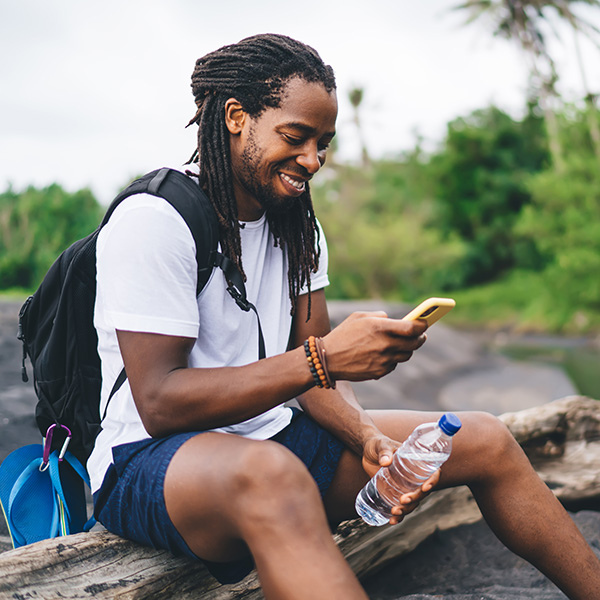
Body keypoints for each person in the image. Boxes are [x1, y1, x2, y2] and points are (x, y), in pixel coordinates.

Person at [88, 33, 600, 599]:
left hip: (268, 433)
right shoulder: (155, 220)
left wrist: (367, 436)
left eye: (323, 142)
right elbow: (160, 403)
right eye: (296, 136)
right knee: (274, 477)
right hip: (149, 462)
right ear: (237, 117)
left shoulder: (296, 225)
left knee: (484, 438)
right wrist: (322, 358)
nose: (313, 159)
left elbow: (315, 384)